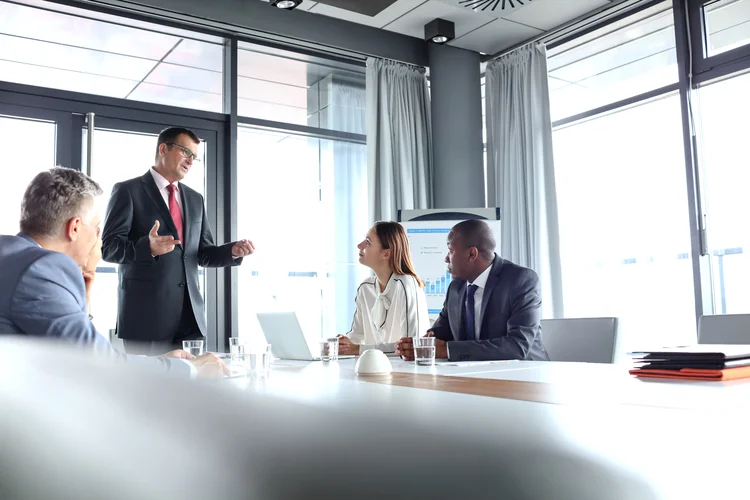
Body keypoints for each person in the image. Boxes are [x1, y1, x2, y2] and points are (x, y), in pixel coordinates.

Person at [0, 167, 225, 377]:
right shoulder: (42, 271)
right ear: (75, 228)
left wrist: (84, 299)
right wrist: (188, 368)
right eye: (97, 228)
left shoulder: (9, 253)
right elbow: (95, 363)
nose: (99, 238)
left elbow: (72, 349)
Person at [102, 127, 255, 355]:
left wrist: (232, 251)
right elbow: (110, 248)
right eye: (185, 152)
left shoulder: (195, 199)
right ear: (163, 149)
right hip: (146, 319)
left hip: (189, 319)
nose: (190, 161)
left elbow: (201, 253)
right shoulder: (128, 191)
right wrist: (148, 247)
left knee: (187, 387)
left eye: (194, 156)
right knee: (147, 388)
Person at [396, 219, 549, 362]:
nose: (446, 259)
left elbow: (517, 346)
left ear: (472, 254)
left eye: (450, 251)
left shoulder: (521, 280)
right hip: (474, 375)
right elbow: (440, 332)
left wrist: (446, 350)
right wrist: (418, 345)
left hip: (525, 375)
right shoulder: (456, 288)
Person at [337, 222, 429, 355]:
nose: (359, 245)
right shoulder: (365, 288)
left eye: (368, 242)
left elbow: (409, 347)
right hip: (373, 369)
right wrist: (342, 344)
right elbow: (357, 337)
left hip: (405, 371)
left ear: (386, 254)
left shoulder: (406, 284)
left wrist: (357, 349)